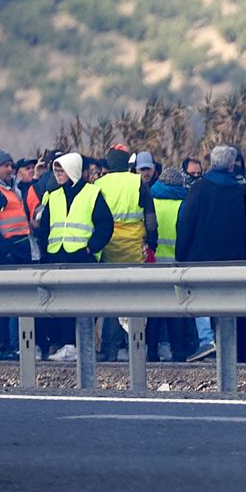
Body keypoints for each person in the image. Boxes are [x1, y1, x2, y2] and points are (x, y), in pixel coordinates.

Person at [176, 146, 246, 363]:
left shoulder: (199, 188)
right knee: (235, 305)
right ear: (232, 165)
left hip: (201, 258)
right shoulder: (243, 191)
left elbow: (186, 222)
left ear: (211, 164)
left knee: (202, 302)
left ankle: (208, 343)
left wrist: (181, 253)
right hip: (235, 259)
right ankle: (240, 351)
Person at [35, 152, 114, 361]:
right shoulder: (54, 195)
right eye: (56, 170)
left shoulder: (92, 193)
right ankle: (67, 344)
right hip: (56, 257)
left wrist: (91, 248)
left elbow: (105, 225)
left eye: (62, 169)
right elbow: (44, 229)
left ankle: (78, 344)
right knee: (60, 304)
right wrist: (45, 253)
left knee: (81, 304)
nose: (58, 174)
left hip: (80, 257)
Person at [95, 147, 157, 362]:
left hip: (109, 246)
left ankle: (109, 349)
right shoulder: (137, 182)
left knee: (111, 299)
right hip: (134, 246)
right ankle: (135, 345)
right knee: (134, 298)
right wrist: (152, 242)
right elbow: (150, 217)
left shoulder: (99, 184)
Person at [0, 149, 33, 361]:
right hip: (4, 253)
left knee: (10, 302)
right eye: (6, 166)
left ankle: (5, 345)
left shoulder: (10, 188)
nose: (10, 170)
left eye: (11, 166)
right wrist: (6, 250)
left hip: (17, 250)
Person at [149, 166, 193, 362]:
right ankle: (179, 352)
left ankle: (150, 352)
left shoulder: (151, 200)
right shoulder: (183, 204)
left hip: (153, 263)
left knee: (154, 312)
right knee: (177, 310)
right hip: (176, 263)